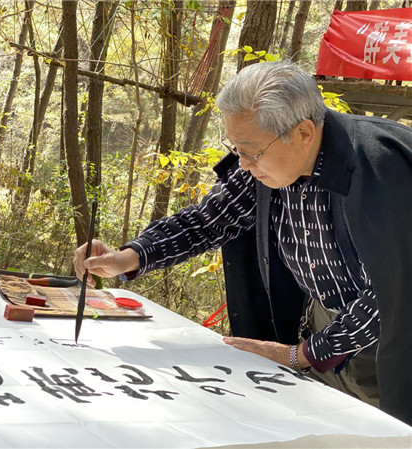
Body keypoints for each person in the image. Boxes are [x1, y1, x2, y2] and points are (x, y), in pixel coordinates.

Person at [73, 61, 412, 426]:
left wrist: (303, 354)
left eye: (250, 151)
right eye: (236, 150)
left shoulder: (380, 168)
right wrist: (129, 257)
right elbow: (209, 220)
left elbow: (391, 295)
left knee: (386, 431)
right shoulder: (269, 166)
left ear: (303, 132)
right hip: (324, 327)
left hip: (390, 345)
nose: (244, 165)